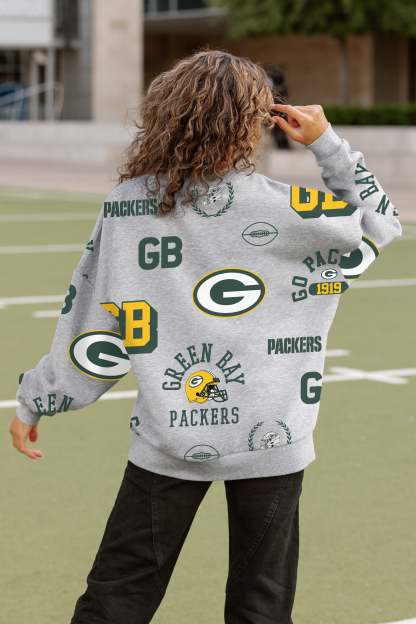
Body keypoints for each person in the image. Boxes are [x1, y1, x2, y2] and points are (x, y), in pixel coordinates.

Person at [9, 49, 401, 624]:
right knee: (260, 606)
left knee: (117, 598)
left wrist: (37, 399)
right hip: (275, 437)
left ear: (164, 115)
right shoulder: (288, 209)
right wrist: (326, 144)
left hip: (169, 435)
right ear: (252, 123)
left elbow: (94, 325)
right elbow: (379, 222)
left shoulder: (129, 206)